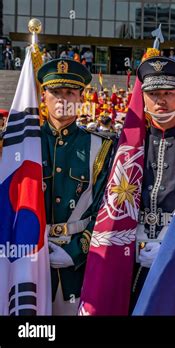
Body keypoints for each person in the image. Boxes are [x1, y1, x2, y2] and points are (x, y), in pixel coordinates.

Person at [37, 58, 114, 315]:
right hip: (29, 261)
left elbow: (106, 208)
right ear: (43, 96)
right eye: (55, 92)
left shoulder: (100, 146)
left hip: (79, 265)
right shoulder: (23, 144)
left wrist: (76, 250)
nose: (62, 99)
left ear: (81, 98)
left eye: (70, 92)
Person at [130, 56, 175, 309]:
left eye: (169, 93)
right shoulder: (128, 146)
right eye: (153, 93)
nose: (161, 100)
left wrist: (170, 247)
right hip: (131, 261)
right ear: (143, 97)